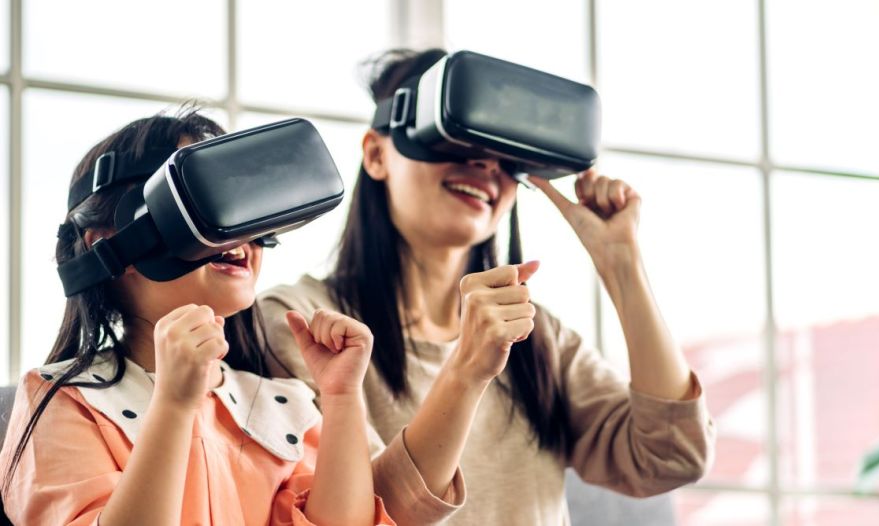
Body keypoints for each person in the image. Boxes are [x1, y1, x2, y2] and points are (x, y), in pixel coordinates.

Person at [260, 49, 716, 525]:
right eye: (454, 139)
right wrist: (466, 371)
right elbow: (363, 516)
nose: (484, 166)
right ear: (377, 154)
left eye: (506, 157)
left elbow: (672, 456)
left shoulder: (538, 338)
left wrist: (622, 265)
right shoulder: (304, 326)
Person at [0, 109, 393, 526]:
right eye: (205, 202)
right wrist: (172, 405)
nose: (237, 233)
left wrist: (342, 399)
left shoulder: (283, 407)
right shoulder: (64, 402)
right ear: (111, 244)